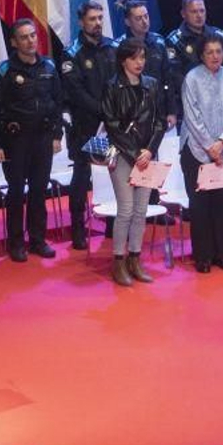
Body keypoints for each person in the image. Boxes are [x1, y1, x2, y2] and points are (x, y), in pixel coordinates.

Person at [0, 18, 64, 262]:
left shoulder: (49, 66)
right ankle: (16, 242)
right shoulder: (4, 70)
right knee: (17, 192)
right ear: (14, 42)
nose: (30, 41)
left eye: (33, 35)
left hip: (43, 138)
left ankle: (38, 240)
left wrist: (57, 134)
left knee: (39, 191)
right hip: (15, 141)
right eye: (24, 37)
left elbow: (58, 103)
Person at [100, 37, 165, 285]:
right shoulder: (112, 86)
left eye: (142, 57)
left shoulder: (152, 84)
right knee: (126, 210)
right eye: (134, 58)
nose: (140, 62)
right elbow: (112, 124)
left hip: (146, 156)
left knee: (141, 211)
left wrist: (149, 151)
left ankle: (135, 259)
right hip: (122, 154)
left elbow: (159, 122)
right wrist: (135, 153)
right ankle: (118, 260)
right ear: (123, 60)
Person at [180, 33, 223, 273]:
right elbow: (192, 117)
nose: (215, 56)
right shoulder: (192, 78)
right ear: (201, 55)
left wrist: (222, 142)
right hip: (197, 151)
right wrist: (210, 145)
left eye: (218, 51)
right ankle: (203, 256)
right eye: (209, 52)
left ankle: (221, 255)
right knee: (200, 206)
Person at [61, 1, 116, 250]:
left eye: (100, 18)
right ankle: (78, 228)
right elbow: (76, 92)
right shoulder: (72, 53)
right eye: (92, 19)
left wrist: (114, 112)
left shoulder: (113, 47)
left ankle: (113, 223)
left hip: (111, 126)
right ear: (81, 22)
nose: (97, 23)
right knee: (82, 176)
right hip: (86, 127)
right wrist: (103, 110)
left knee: (113, 171)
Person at [165, 0, 223, 130]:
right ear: (183, 14)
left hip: (220, 100)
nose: (199, 15)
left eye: (202, 11)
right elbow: (176, 77)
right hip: (191, 104)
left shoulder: (217, 35)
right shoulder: (174, 40)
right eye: (194, 11)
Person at [117, 0, 170, 126]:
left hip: (159, 108)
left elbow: (168, 78)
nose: (145, 21)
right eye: (138, 18)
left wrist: (172, 111)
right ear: (127, 22)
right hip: (132, 111)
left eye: (146, 16)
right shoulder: (119, 46)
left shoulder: (159, 42)